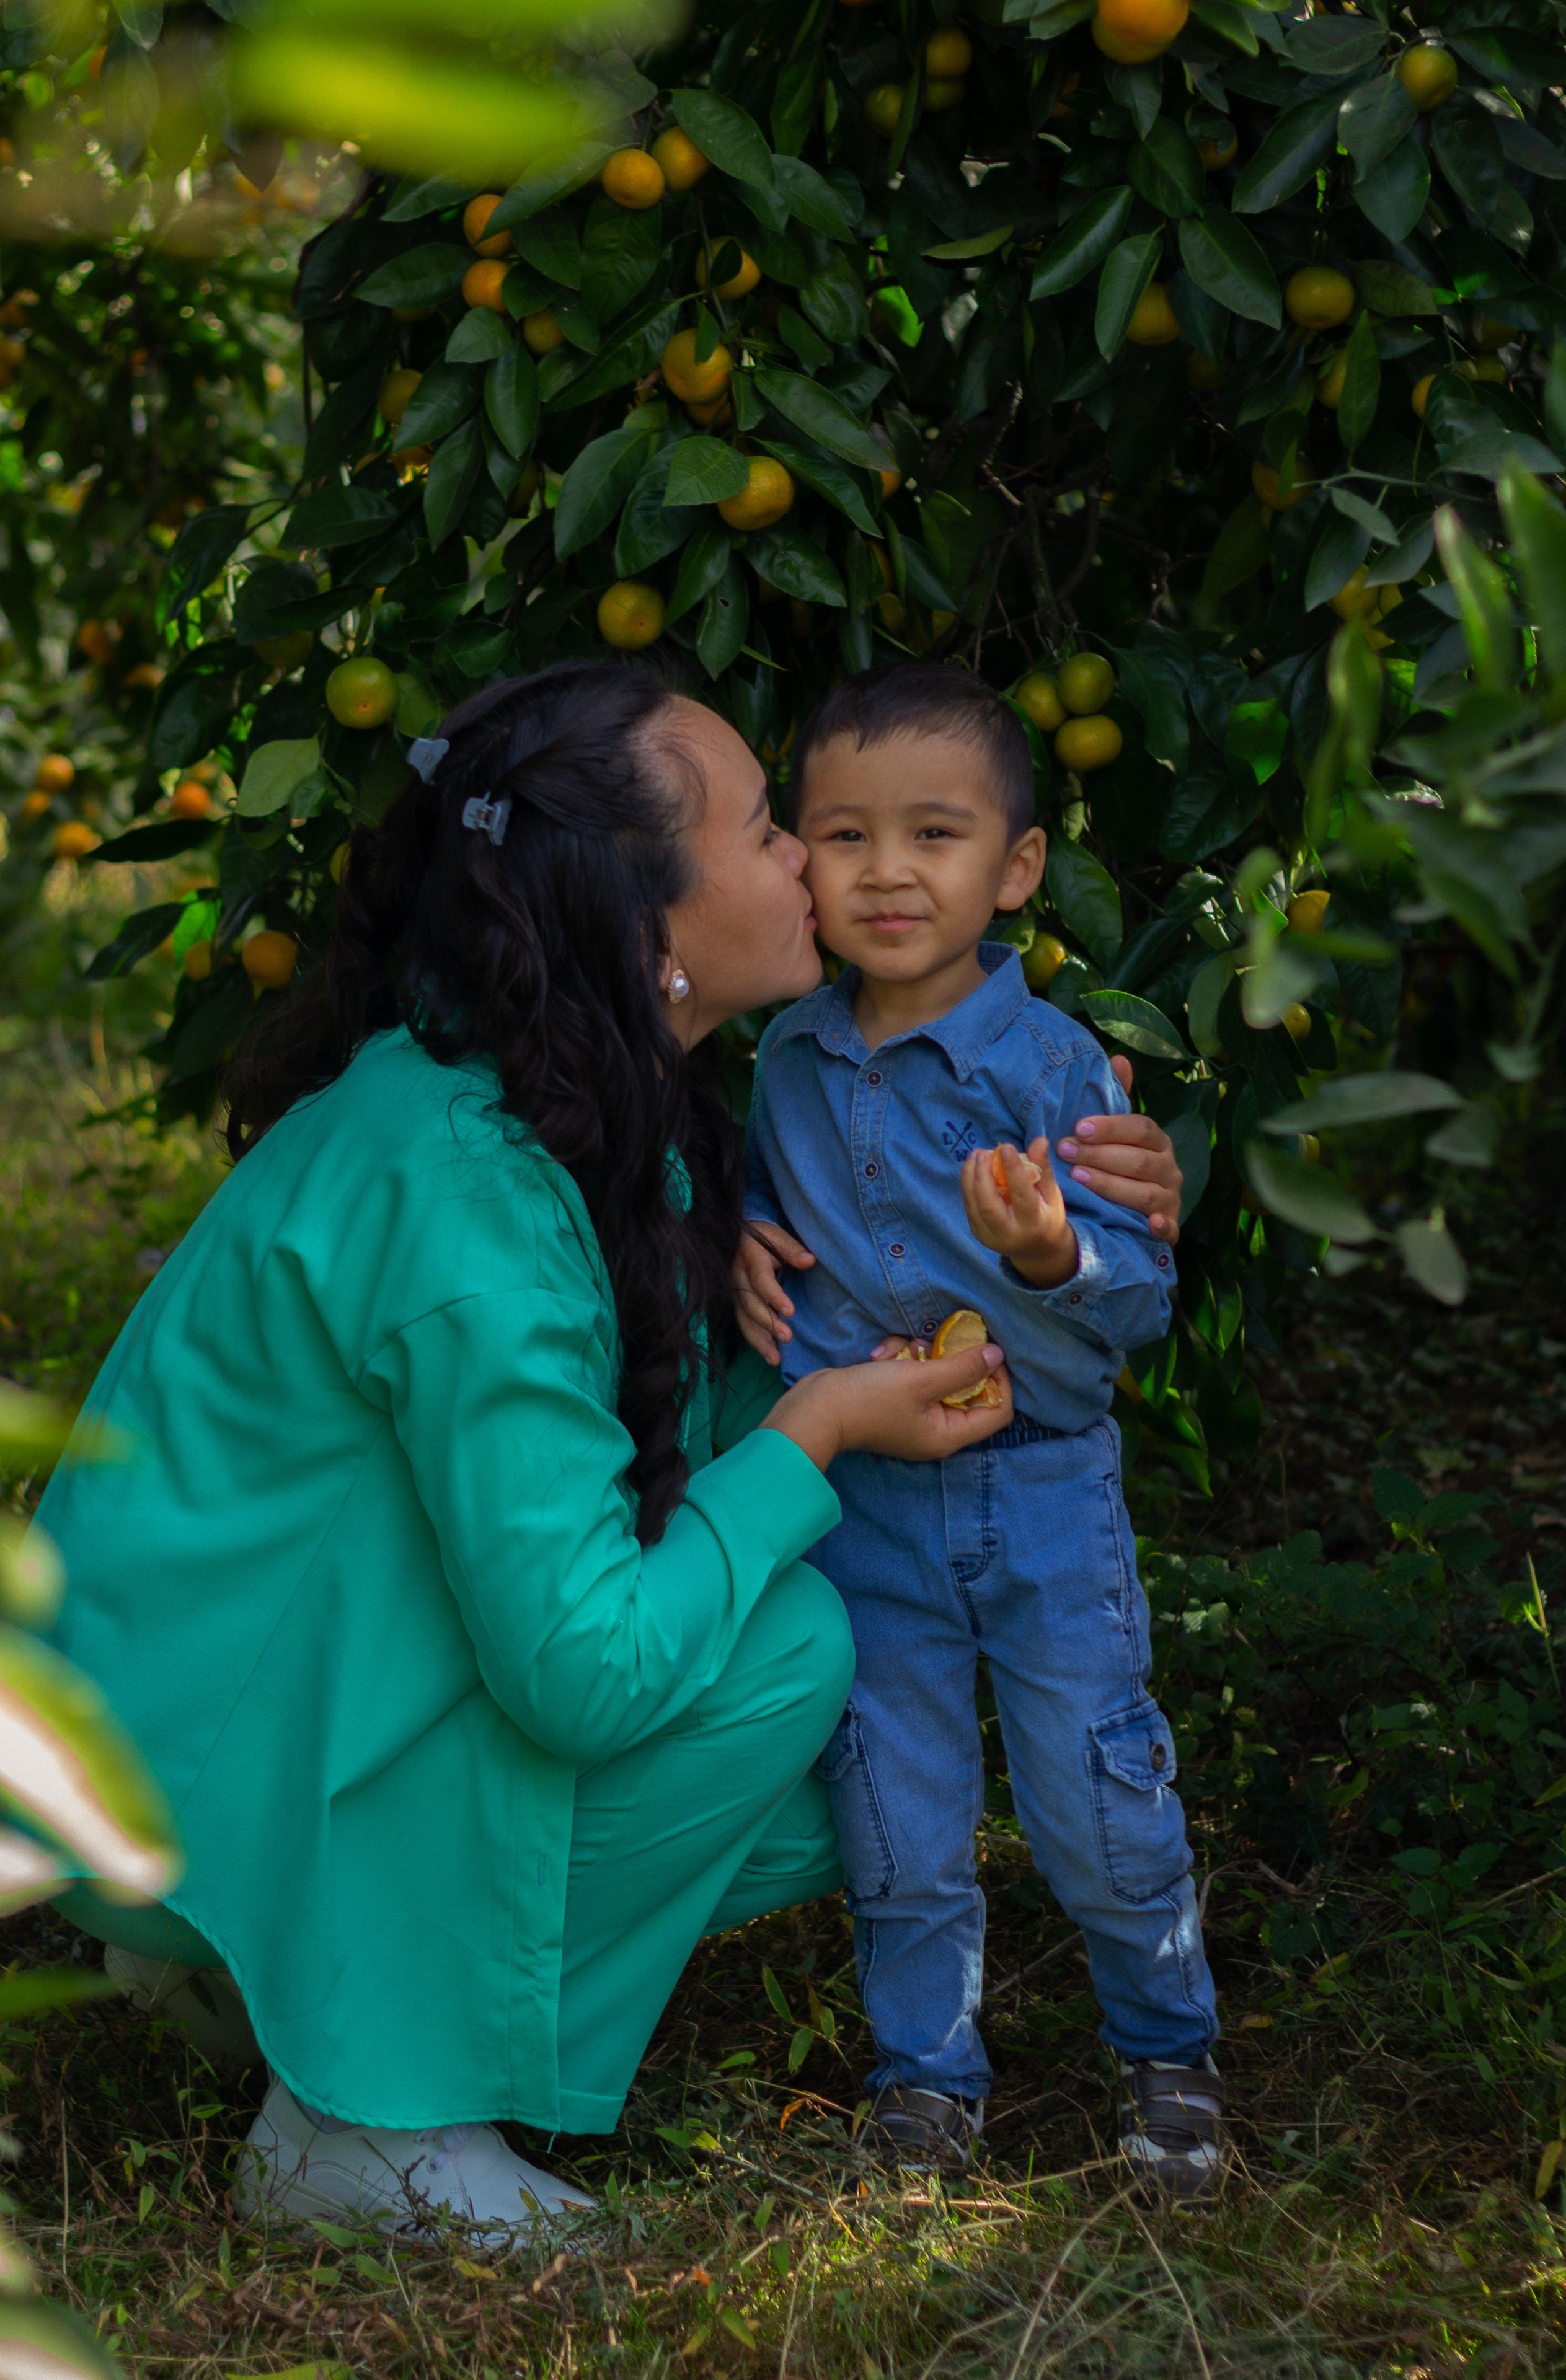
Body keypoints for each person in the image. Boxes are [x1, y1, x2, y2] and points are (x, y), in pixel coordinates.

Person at [34, 663, 1186, 2242]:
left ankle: (278, 1980)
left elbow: (616, 1451)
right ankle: (365, 2119)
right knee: (789, 1653)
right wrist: (810, 1424)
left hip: (241, 1707)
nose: (809, 862)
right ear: (649, 928)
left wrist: (1086, 1200)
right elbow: (579, 1668)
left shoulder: (561, 1100)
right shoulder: (476, 1203)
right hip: (179, 1775)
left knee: (823, 1767)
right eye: (772, 829)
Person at [733, 664, 1223, 2199]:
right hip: (870, 1504)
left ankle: (1166, 2056)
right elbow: (770, 1213)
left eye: (934, 835)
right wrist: (733, 1245)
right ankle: (923, 2081)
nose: (886, 872)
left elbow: (1135, 1296)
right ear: (795, 858)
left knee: (1097, 1786)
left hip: (1043, 1496)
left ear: (1013, 870)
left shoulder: (1053, 1065)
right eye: (842, 835)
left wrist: (1039, 1258)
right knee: (894, 1803)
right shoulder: (785, 1058)